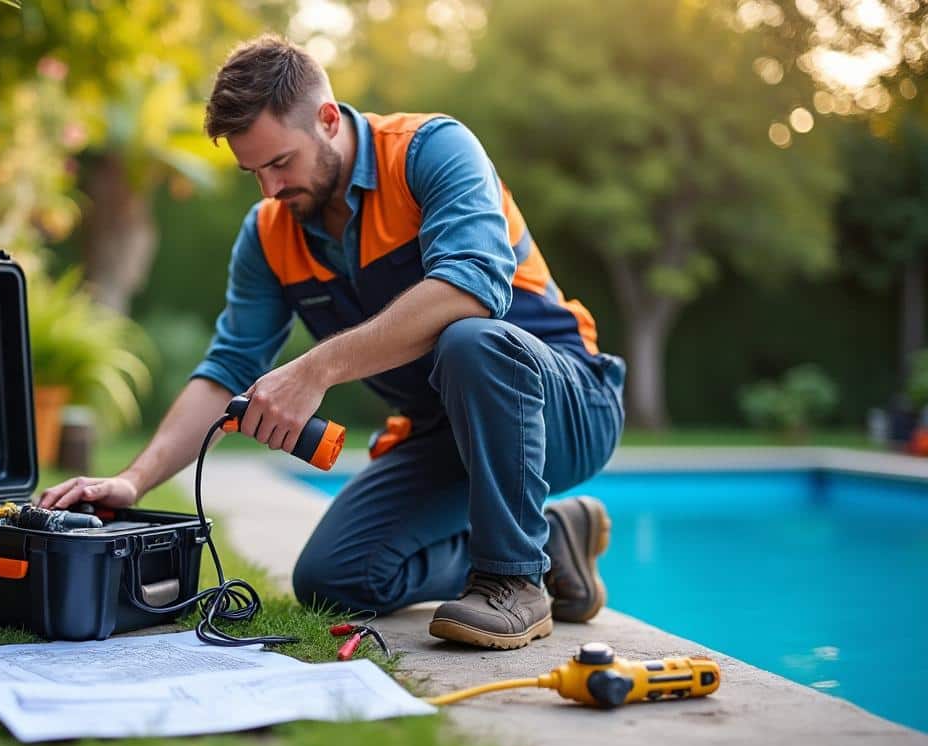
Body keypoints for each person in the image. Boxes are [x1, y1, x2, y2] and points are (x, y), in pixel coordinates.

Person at [40, 34, 626, 650]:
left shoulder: (431, 151)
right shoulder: (269, 234)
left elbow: (471, 288)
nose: (269, 190)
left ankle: (515, 580)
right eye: (253, 172)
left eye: (280, 164)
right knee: (334, 578)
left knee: (470, 340)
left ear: (326, 119)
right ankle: (552, 538)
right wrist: (134, 480)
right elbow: (227, 369)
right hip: (446, 431)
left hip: (565, 405)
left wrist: (314, 371)